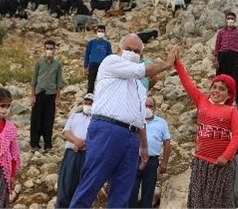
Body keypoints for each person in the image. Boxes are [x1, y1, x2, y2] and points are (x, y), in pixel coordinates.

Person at [69, 34, 176, 208]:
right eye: (128, 49)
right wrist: (166, 63)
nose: (132, 53)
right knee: (91, 184)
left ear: (141, 56)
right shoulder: (110, 62)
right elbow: (143, 70)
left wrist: (143, 146)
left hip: (131, 137)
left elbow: (140, 118)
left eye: (136, 51)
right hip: (107, 129)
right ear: (118, 50)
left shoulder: (140, 87)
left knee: (122, 192)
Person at [174, 46, 238, 208]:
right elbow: (188, 83)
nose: (216, 91)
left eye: (222, 89)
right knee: (198, 202)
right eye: (214, 87)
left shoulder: (232, 111)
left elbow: (237, 136)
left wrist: (225, 157)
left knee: (218, 203)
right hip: (201, 162)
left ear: (229, 94)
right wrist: (178, 64)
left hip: (221, 166)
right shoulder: (201, 101)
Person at [129, 97, 172, 208]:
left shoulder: (161, 123)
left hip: (152, 161)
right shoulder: (135, 121)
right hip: (135, 159)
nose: (147, 108)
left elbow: (167, 142)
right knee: (132, 190)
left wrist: (164, 162)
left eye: (150, 106)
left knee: (148, 191)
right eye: (145, 106)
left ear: (155, 108)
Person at [55, 93, 94, 209]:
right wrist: (76, 141)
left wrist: (83, 144)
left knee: (82, 187)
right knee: (66, 185)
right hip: (72, 153)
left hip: (86, 155)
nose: (87, 105)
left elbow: (97, 136)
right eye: (85, 103)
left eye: (90, 103)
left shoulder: (96, 120)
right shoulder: (74, 116)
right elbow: (66, 132)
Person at [30, 40, 63, 152]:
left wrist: (58, 98)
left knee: (48, 120)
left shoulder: (57, 65)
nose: (49, 51)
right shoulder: (39, 63)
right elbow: (34, 79)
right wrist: (32, 95)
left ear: (54, 50)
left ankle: (47, 144)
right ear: (44, 49)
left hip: (51, 95)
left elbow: (59, 82)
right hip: (39, 94)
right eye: (47, 48)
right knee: (36, 119)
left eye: (51, 49)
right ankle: (34, 144)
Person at [213, 11, 238, 107]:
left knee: (237, 80)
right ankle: (220, 101)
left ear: (235, 20)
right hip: (223, 57)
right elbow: (217, 45)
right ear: (225, 20)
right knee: (221, 80)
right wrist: (216, 59)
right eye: (228, 18)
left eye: (232, 18)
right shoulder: (221, 32)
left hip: (235, 57)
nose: (230, 20)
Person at [83, 25, 112, 94]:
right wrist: (85, 66)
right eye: (99, 31)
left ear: (105, 32)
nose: (100, 33)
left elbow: (109, 56)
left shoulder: (107, 44)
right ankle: (89, 98)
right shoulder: (91, 43)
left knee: (102, 83)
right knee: (91, 84)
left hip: (103, 66)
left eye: (102, 31)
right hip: (93, 65)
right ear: (96, 32)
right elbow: (87, 54)